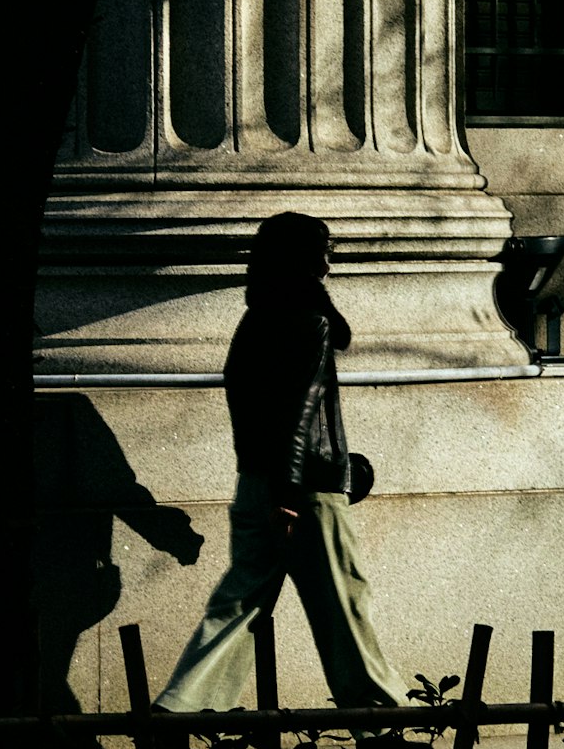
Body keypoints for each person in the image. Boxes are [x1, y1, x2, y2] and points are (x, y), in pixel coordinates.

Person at [153, 211, 407, 712]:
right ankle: (380, 724)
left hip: (256, 484)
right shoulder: (308, 322)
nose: (329, 257)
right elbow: (298, 410)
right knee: (344, 606)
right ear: (308, 259)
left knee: (239, 608)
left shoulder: (254, 319)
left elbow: (253, 411)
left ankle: (176, 716)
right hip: (304, 494)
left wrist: (268, 485)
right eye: (324, 247)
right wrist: (289, 494)